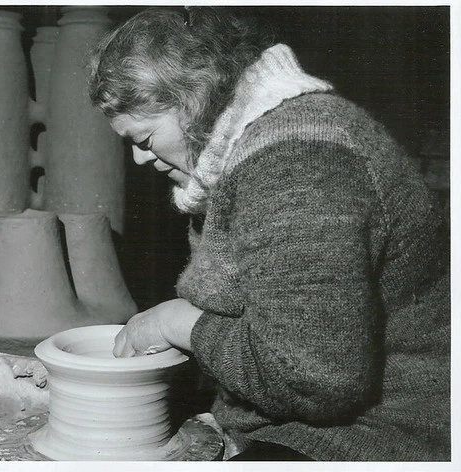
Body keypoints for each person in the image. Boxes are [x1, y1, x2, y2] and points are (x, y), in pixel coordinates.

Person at [87, 7, 450, 461]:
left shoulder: (297, 160)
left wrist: (176, 323)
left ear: (194, 98)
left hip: (387, 431)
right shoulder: (246, 148)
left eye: (144, 139)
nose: (141, 158)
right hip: (297, 419)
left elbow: (315, 379)